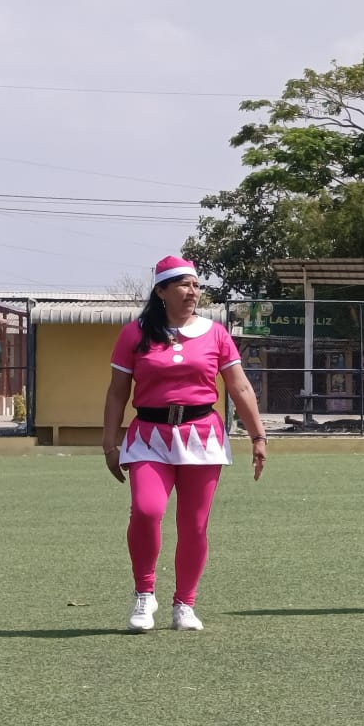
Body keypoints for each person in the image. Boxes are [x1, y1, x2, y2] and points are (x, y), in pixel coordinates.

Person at [102, 255, 267, 633]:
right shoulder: (134, 334)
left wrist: (258, 436)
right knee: (147, 511)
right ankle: (145, 594)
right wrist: (109, 443)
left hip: (201, 436)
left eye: (196, 285)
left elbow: (240, 387)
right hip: (148, 436)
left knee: (194, 525)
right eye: (183, 285)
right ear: (161, 291)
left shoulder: (216, 333)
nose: (193, 292)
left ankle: (185, 604)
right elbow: (116, 393)